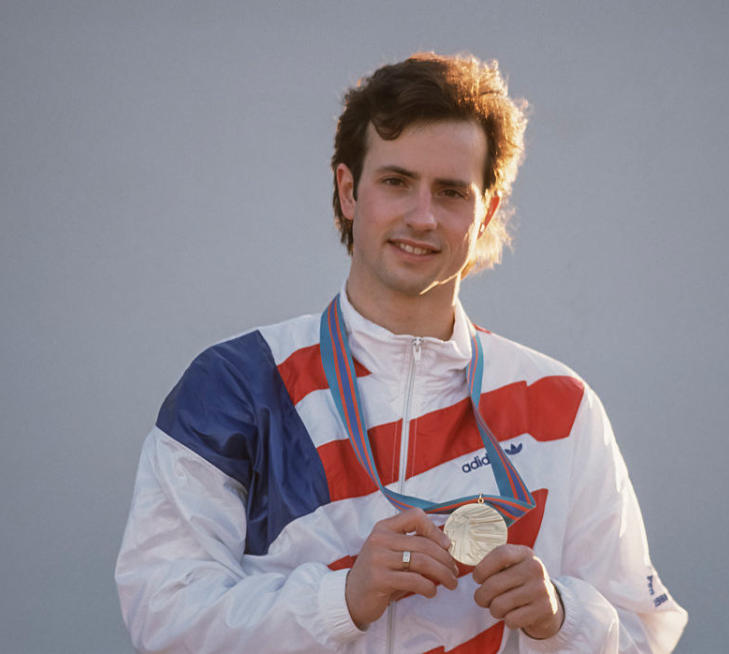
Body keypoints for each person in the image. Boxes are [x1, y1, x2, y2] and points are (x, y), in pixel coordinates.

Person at [115, 52, 688, 653]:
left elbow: (644, 633)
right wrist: (340, 600)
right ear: (348, 191)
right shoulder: (235, 386)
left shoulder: (559, 405)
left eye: (450, 193)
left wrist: (562, 617)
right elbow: (164, 616)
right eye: (396, 182)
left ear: (485, 211)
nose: (422, 217)